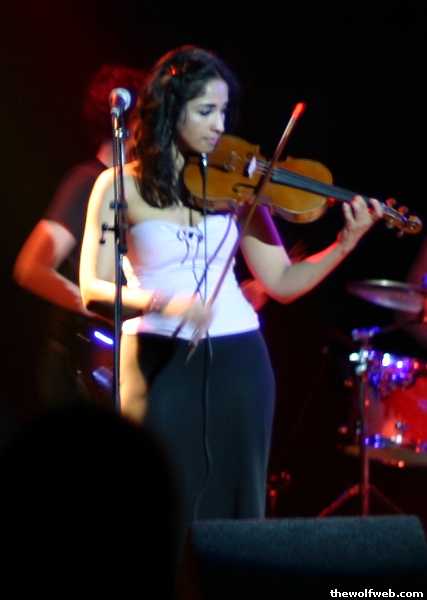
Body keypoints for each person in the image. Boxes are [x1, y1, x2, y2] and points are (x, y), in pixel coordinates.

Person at [79, 45, 383, 528]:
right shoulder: (120, 185)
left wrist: (345, 244)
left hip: (241, 359)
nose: (219, 125)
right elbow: (92, 290)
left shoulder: (237, 186)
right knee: (156, 508)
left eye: (223, 112)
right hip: (157, 359)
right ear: (169, 109)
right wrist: (165, 303)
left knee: (239, 514)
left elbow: (281, 281)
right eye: (206, 111)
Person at [13, 63, 146, 412]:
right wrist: (100, 310)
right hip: (81, 361)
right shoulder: (87, 181)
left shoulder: (132, 192)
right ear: (130, 123)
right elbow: (31, 268)